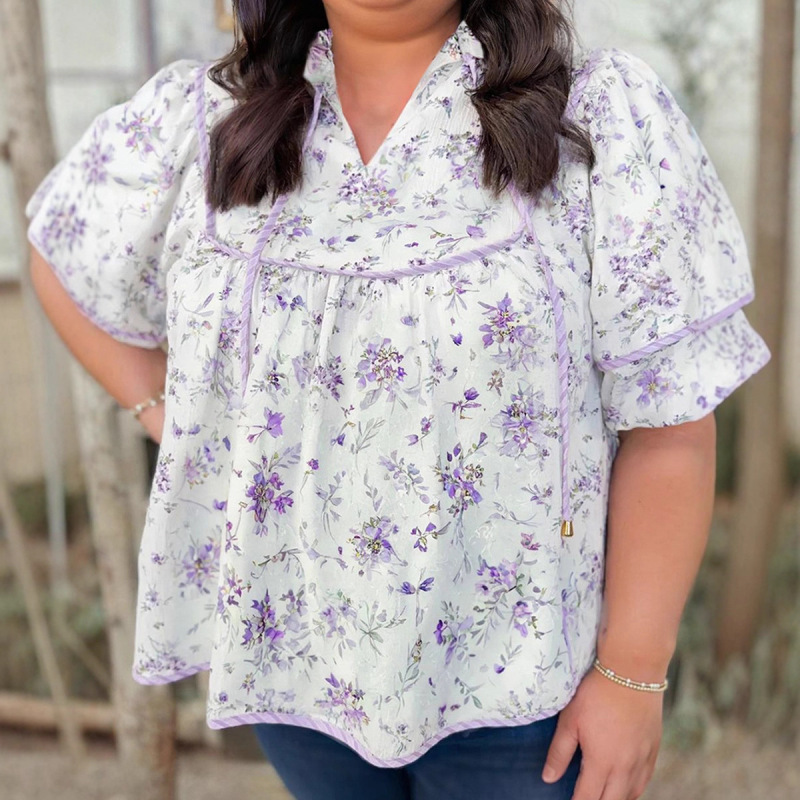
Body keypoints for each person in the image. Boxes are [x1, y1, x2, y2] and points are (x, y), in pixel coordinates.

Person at [27, 0, 770, 798]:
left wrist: (632, 674)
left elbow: (670, 419)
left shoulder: (593, 116)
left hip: (523, 690)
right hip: (297, 669)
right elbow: (65, 249)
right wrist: (164, 415)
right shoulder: (208, 119)